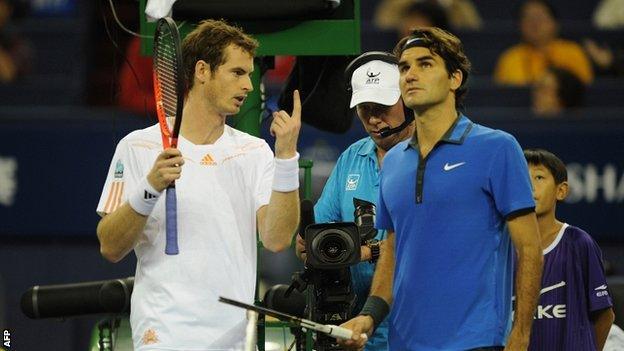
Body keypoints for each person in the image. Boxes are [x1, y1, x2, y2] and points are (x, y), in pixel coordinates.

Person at [96, 19, 301, 350]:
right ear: (202, 71)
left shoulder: (255, 152)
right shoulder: (137, 147)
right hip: (161, 332)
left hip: (231, 336)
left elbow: (277, 239)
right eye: (237, 72)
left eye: (249, 74)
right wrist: (149, 189)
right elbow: (110, 246)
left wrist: (287, 157)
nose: (249, 85)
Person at [339, 27, 543, 350]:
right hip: (404, 343)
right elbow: (393, 253)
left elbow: (530, 249)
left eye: (425, 64)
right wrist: (369, 316)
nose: (410, 75)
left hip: (475, 342)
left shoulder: (498, 148)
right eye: (404, 68)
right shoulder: (392, 163)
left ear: (455, 79)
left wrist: (521, 334)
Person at [295, 51, 415, 350]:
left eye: (382, 107)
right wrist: (311, 246)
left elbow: (427, 242)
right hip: (356, 329)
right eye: (364, 108)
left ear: (407, 101)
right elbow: (319, 232)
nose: (374, 119)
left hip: (416, 328)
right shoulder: (352, 156)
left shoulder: (433, 157)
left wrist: (367, 251)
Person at [521, 148, 615, 350]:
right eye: (522, 177)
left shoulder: (579, 243)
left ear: (561, 191)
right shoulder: (502, 248)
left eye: (538, 177)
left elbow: (604, 315)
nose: (529, 185)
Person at [494, 0, 593, 86]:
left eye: (540, 17)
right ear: (520, 26)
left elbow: (583, 92)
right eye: (528, 18)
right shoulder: (509, 58)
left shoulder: (573, 52)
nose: (534, 24)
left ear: (555, 23)